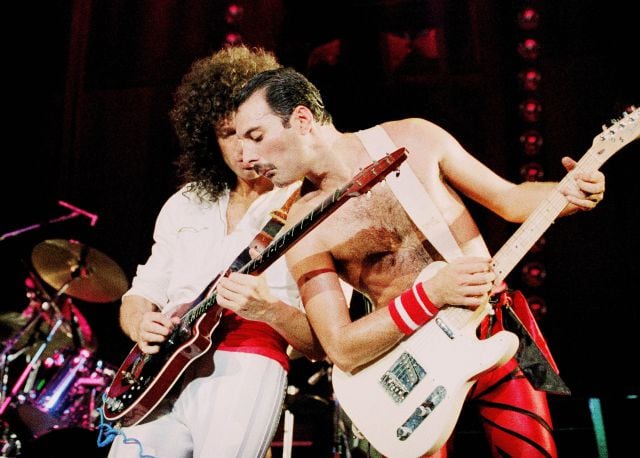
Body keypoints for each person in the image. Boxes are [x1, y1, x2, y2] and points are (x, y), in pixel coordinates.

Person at [232, 67, 606, 457]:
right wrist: (432, 293)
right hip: (409, 365)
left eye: (256, 137)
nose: (246, 157)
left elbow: (510, 200)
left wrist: (567, 193)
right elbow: (340, 346)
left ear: (302, 119)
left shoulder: (414, 137)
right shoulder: (301, 225)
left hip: (491, 326)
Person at [107, 47, 323, 458]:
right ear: (208, 135)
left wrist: (271, 310)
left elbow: (323, 343)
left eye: (252, 135)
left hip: (247, 362)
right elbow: (141, 292)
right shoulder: (186, 202)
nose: (243, 152)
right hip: (159, 373)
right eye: (228, 135)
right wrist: (141, 325)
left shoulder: (308, 205)